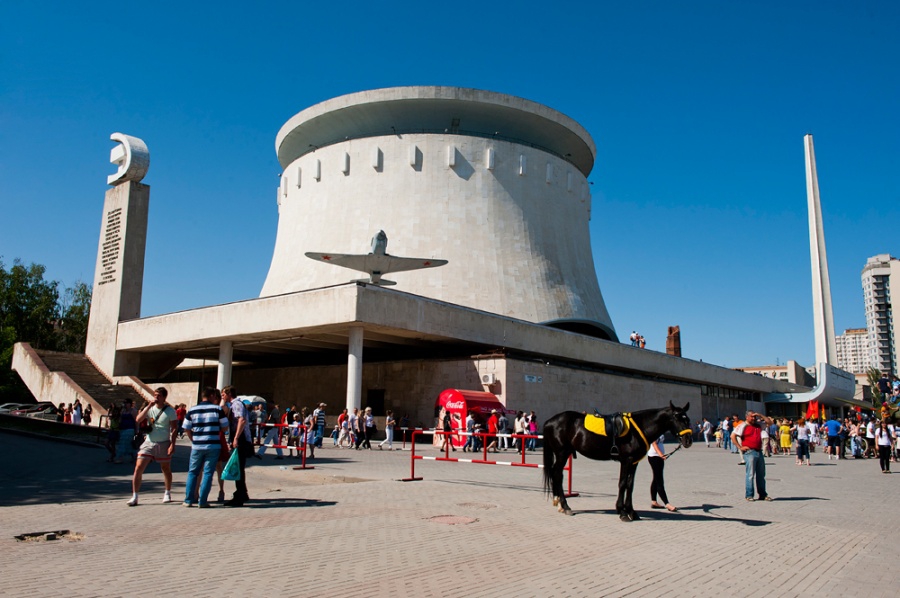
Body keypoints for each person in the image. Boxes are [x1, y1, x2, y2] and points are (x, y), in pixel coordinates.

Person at [127, 387, 178, 506]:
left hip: (163, 442)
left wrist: (172, 444)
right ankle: (134, 496)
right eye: (155, 395)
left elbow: (174, 428)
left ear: (164, 397)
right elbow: (138, 420)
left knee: (165, 468)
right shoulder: (150, 409)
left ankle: (167, 492)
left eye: (159, 395)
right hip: (149, 442)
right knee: (138, 467)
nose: (156, 397)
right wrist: (148, 407)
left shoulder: (170, 411)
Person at [183, 387, 229, 507]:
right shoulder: (217, 409)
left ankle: (188, 499)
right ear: (212, 396)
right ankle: (202, 501)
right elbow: (225, 427)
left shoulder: (192, 409)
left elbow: (186, 427)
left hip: (197, 445)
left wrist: (193, 438)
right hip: (213, 445)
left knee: (193, 472)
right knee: (208, 473)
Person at [732, 410, 774, 501]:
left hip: (759, 451)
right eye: (752, 416)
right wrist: (740, 447)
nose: (754, 418)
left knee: (761, 474)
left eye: (755, 416)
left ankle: (762, 494)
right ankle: (749, 495)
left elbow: (770, 422)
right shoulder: (743, 425)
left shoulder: (758, 425)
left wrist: (760, 415)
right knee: (750, 474)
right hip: (749, 452)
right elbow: (733, 436)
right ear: (747, 417)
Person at [223, 386, 252, 507]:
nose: (222, 397)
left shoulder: (236, 404)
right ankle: (242, 492)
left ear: (229, 394)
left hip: (241, 439)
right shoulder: (232, 405)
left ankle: (239, 495)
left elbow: (241, 420)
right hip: (239, 438)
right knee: (239, 466)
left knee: (238, 467)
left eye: (223, 394)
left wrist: (235, 438)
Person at [648, 433, 677, 512]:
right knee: (659, 480)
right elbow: (653, 443)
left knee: (655, 479)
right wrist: (660, 454)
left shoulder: (660, 430)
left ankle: (654, 502)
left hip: (659, 457)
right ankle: (667, 503)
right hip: (654, 457)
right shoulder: (654, 430)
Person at [115, 398, 138, 464]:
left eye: (126, 403)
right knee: (127, 444)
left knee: (124, 442)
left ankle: (120, 457)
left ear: (130, 404)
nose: (125, 404)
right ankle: (134, 456)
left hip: (130, 429)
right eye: (124, 403)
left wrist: (137, 429)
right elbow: (120, 419)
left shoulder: (133, 411)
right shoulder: (123, 411)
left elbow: (136, 421)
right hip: (123, 428)